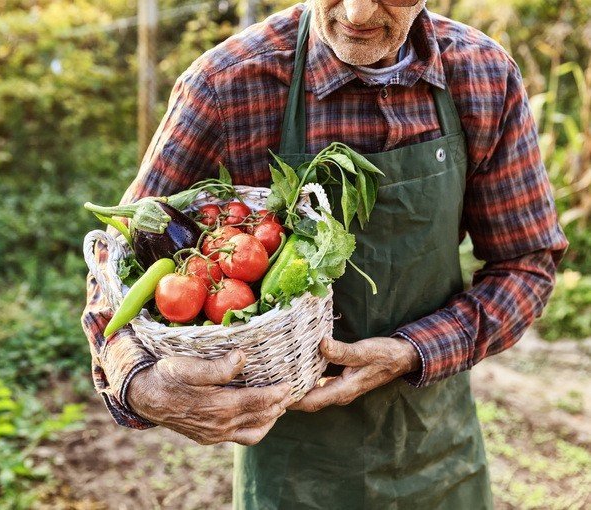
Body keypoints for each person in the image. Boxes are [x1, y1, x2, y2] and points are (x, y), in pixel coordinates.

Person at [81, 0, 568, 507]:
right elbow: (118, 260)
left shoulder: (482, 75)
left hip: (439, 449)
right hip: (293, 471)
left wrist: (413, 350)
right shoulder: (229, 84)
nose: (356, 14)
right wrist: (138, 383)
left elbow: (526, 263)